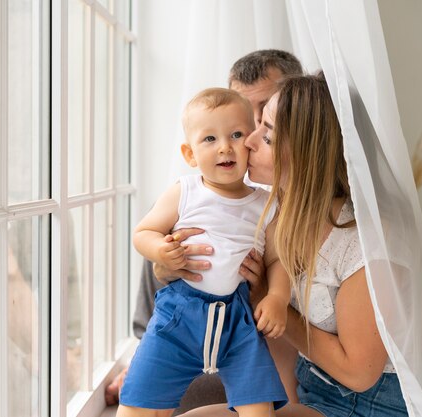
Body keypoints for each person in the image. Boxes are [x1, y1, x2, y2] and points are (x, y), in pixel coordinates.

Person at [179, 74, 409, 416]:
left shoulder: (363, 242)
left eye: (268, 136)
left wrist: (271, 303)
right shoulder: (271, 213)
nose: (249, 141)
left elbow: (360, 374)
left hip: (369, 405)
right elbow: (276, 340)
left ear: (307, 154)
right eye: (257, 126)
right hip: (310, 388)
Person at [105, 49, 303, 407]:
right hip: (184, 338)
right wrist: (164, 261)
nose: (248, 139)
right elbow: (148, 245)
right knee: (144, 390)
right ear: (191, 152)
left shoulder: (281, 208)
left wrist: (270, 295)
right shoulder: (186, 199)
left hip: (253, 345)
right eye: (213, 136)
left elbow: (280, 266)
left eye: (261, 119)